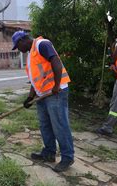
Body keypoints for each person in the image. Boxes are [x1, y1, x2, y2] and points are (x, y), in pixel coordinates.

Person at [11, 31, 75, 172]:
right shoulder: (30, 55)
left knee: (59, 125)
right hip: (43, 95)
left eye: (18, 46)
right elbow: (36, 80)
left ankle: (67, 157)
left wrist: (56, 86)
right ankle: (49, 152)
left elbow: (56, 62)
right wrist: (30, 97)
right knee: (45, 125)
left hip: (55, 93)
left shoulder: (42, 44)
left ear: (23, 40)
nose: (19, 50)